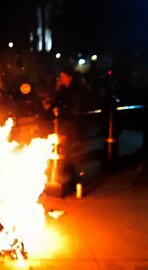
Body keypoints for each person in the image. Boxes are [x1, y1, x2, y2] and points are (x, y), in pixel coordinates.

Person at [52, 66, 90, 195]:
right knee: (65, 153)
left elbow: (76, 110)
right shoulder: (63, 89)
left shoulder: (76, 90)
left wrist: (65, 115)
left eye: (62, 76)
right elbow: (57, 102)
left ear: (69, 77)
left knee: (71, 154)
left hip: (73, 126)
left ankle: (75, 182)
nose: (60, 79)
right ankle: (69, 181)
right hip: (65, 125)